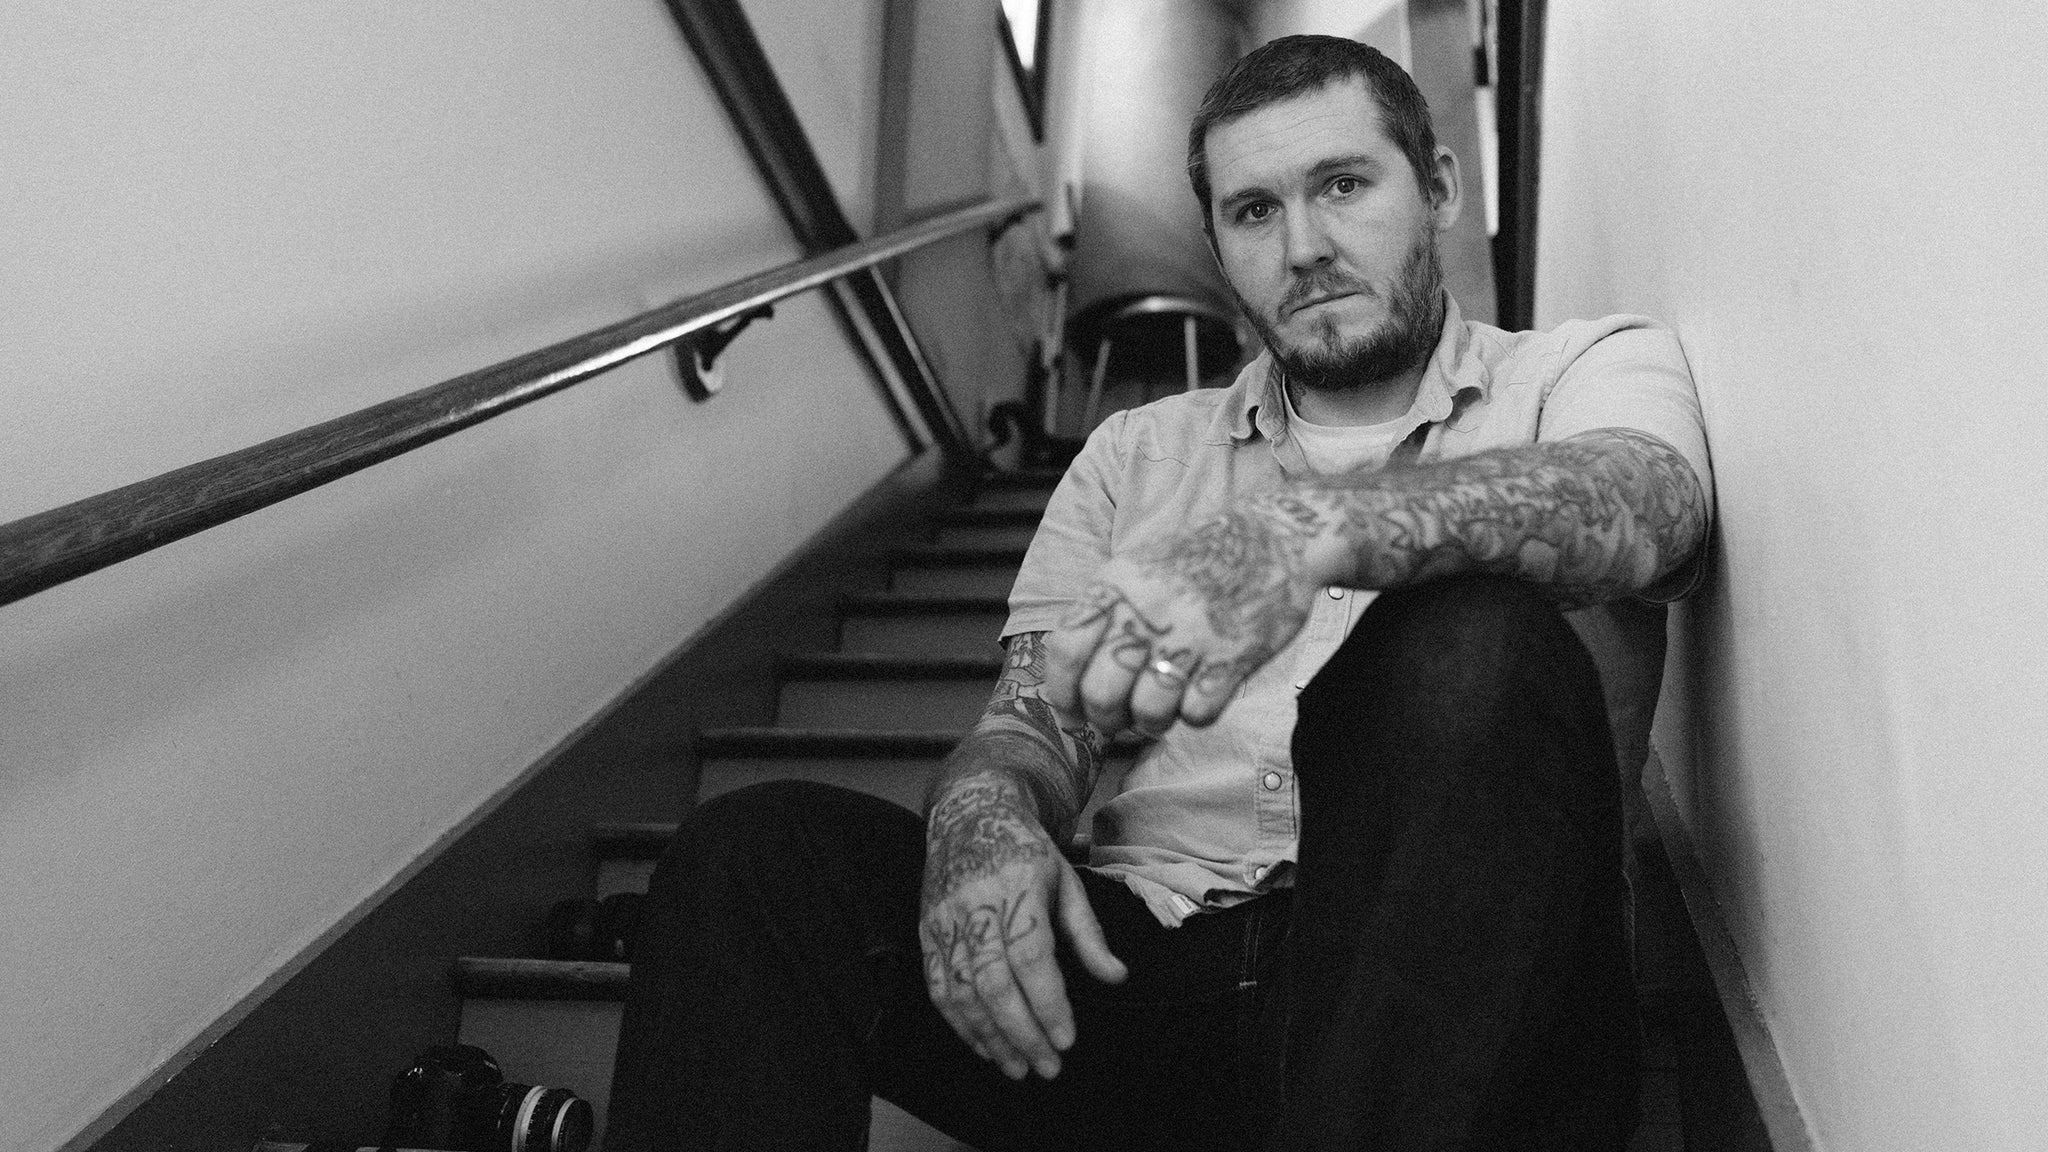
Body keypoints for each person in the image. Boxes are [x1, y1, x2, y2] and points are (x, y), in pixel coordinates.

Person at [607, 33, 1711, 1152]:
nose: (1304, 247)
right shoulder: (1134, 454)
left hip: (1453, 984)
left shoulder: (1578, 373)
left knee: (1469, 637)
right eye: (1253, 212)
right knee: (753, 860)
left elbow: (1649, 504)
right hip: (1156, 975)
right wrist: (984, 812)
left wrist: (1308, 531)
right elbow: (1034, 723)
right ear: (1217, 247)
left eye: (1342, 185)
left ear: (1438, 187)